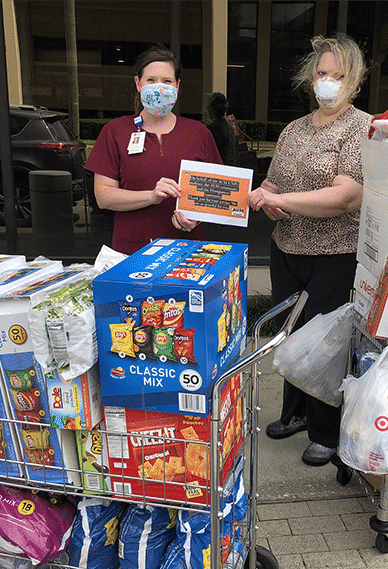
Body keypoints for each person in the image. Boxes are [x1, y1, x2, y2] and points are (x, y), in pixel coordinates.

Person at [248, 33, 371, 467]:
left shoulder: (362, 128)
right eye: (322, 74)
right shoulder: (293, 130)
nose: (328, 83)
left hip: (335, 254)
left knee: (326, 344)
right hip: (287, 248)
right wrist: (261, 196)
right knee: (292, 336)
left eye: (338, 76)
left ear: (354, 81)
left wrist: (280, 201)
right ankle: (294, 414)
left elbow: (346, 197)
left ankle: (325, 431)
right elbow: (274, 183)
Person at [84, 45, 222, 255]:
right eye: (151, 80)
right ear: (138, 84)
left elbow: (218, 193)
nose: (159, 88)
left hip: (189, 252)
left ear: (177, 85)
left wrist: (198, 217)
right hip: (133, 252)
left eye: (167, 81)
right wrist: (151, 196)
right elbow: (103, 196)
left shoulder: (199, 133)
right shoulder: (115, 131)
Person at [205, 92, 237, 166]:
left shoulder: (212, 129)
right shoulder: (229, 127)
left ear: (210, 109)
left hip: (218, 169)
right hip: (229, 168)